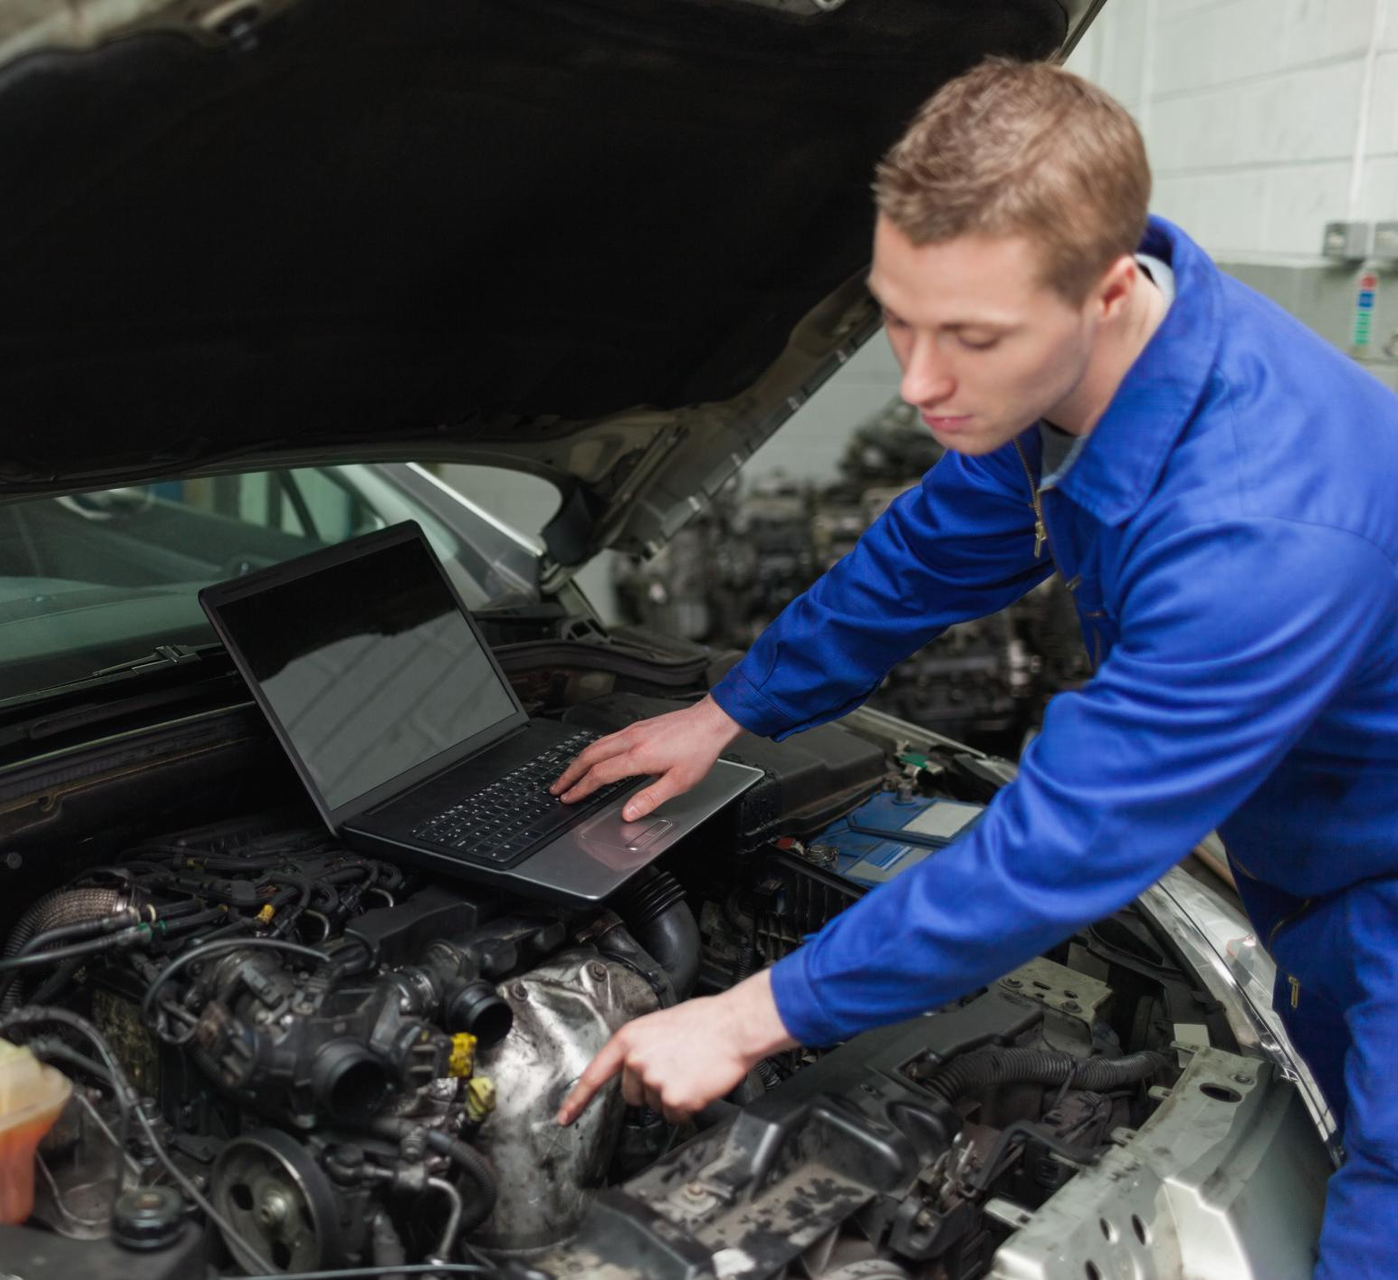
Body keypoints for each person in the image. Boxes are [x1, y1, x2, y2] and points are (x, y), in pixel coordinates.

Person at [550, 58, 1398, 1280]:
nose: (921, 382)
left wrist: (750, 1013)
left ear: (1107, 293)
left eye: (972, 337)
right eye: (899, 315)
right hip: (1308, 863)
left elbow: (1062, 843)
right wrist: (729, 708)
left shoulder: (1263, 530)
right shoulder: (1074, 379)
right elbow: (920, 558)